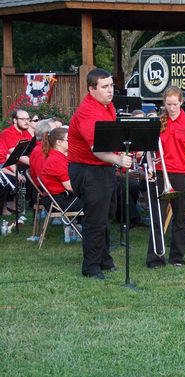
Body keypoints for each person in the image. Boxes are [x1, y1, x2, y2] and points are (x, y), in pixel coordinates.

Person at [68, 68, 132, 280]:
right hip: (87, 170)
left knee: (106, 216)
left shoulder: (107, 106)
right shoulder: (88, 111)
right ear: (91, 89)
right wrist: (118, 159)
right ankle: (91, 267)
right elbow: (97, 147)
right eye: (104, 87)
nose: (110, 90)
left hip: (102, 169)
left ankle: (104, 259)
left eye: (111, 86)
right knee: (95, 220)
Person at [146, 86, 185, 269]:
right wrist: (151, 166)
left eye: (175, 104)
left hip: (182, 175)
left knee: (179, 217)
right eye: (168, 104)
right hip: (162, 174)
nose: (171, 108)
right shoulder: (160, 121)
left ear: (181, 102)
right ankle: (155, 259)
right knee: (158, 217)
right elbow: (150, 148)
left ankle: (177, 257)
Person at [40, 127, 83, 243]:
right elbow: (70, 186)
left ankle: (87, 230)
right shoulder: (56, 159)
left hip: (59, 199)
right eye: (69, 140)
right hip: (58, 202)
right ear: (59, 142)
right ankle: (96, 236)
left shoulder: (57, 156)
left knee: (96, 197)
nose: (72, 142)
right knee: (97, 200)